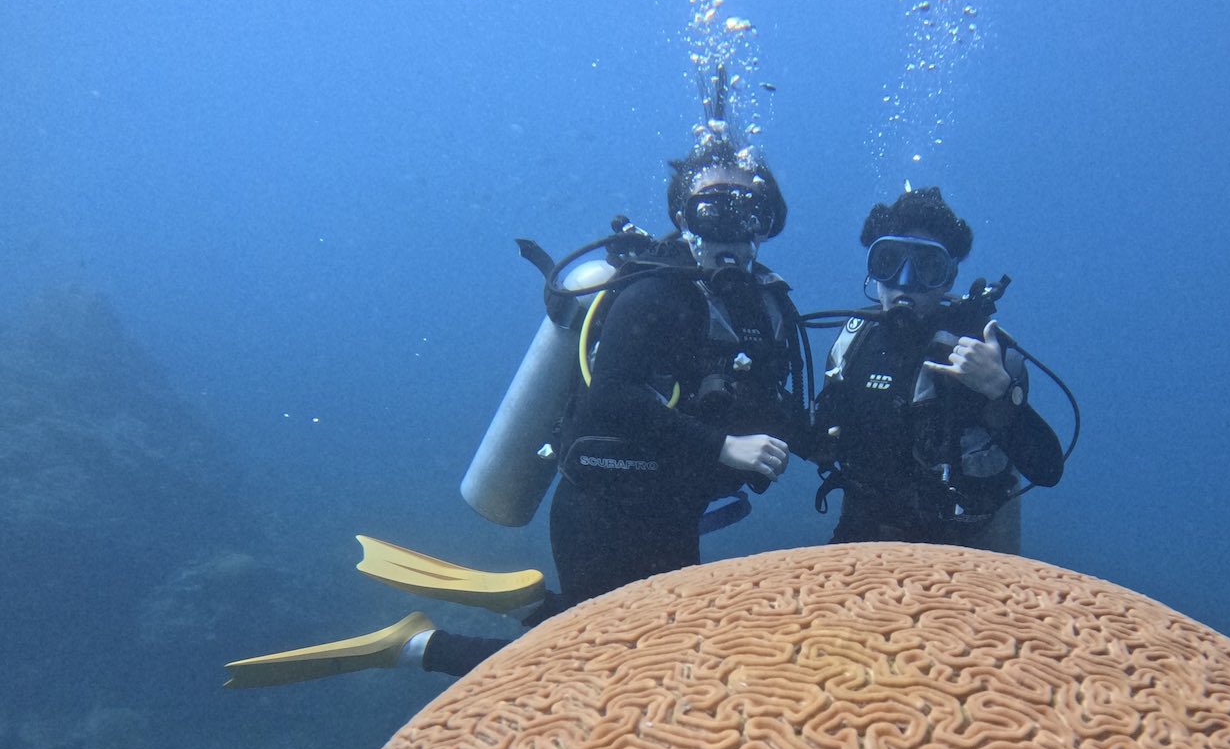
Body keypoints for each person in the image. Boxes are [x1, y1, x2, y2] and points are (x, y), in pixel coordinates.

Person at [225, 131, 808, 687]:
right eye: (712, 212)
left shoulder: (763, 307)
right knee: (606, 660)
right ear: (684, 216)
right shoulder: (655, 292)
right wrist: (724, 447)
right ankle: (417, 645)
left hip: (675, 505)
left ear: (766, 222)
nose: (729, 229)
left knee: (636, 640)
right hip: (605, 506)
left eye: (745, 212)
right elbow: (613, 395)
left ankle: (520, 602)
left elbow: (772, 405)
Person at [812, 186, 1065, 549]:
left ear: (948, 279)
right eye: (889, 261)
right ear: (873, 270)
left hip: (965, 548)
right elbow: (820, 438)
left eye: (927, 267)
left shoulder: (981, 351)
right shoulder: (854, 344)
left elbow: (1048, 468)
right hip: (863, 534)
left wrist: (1000, 390)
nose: (904, 282)